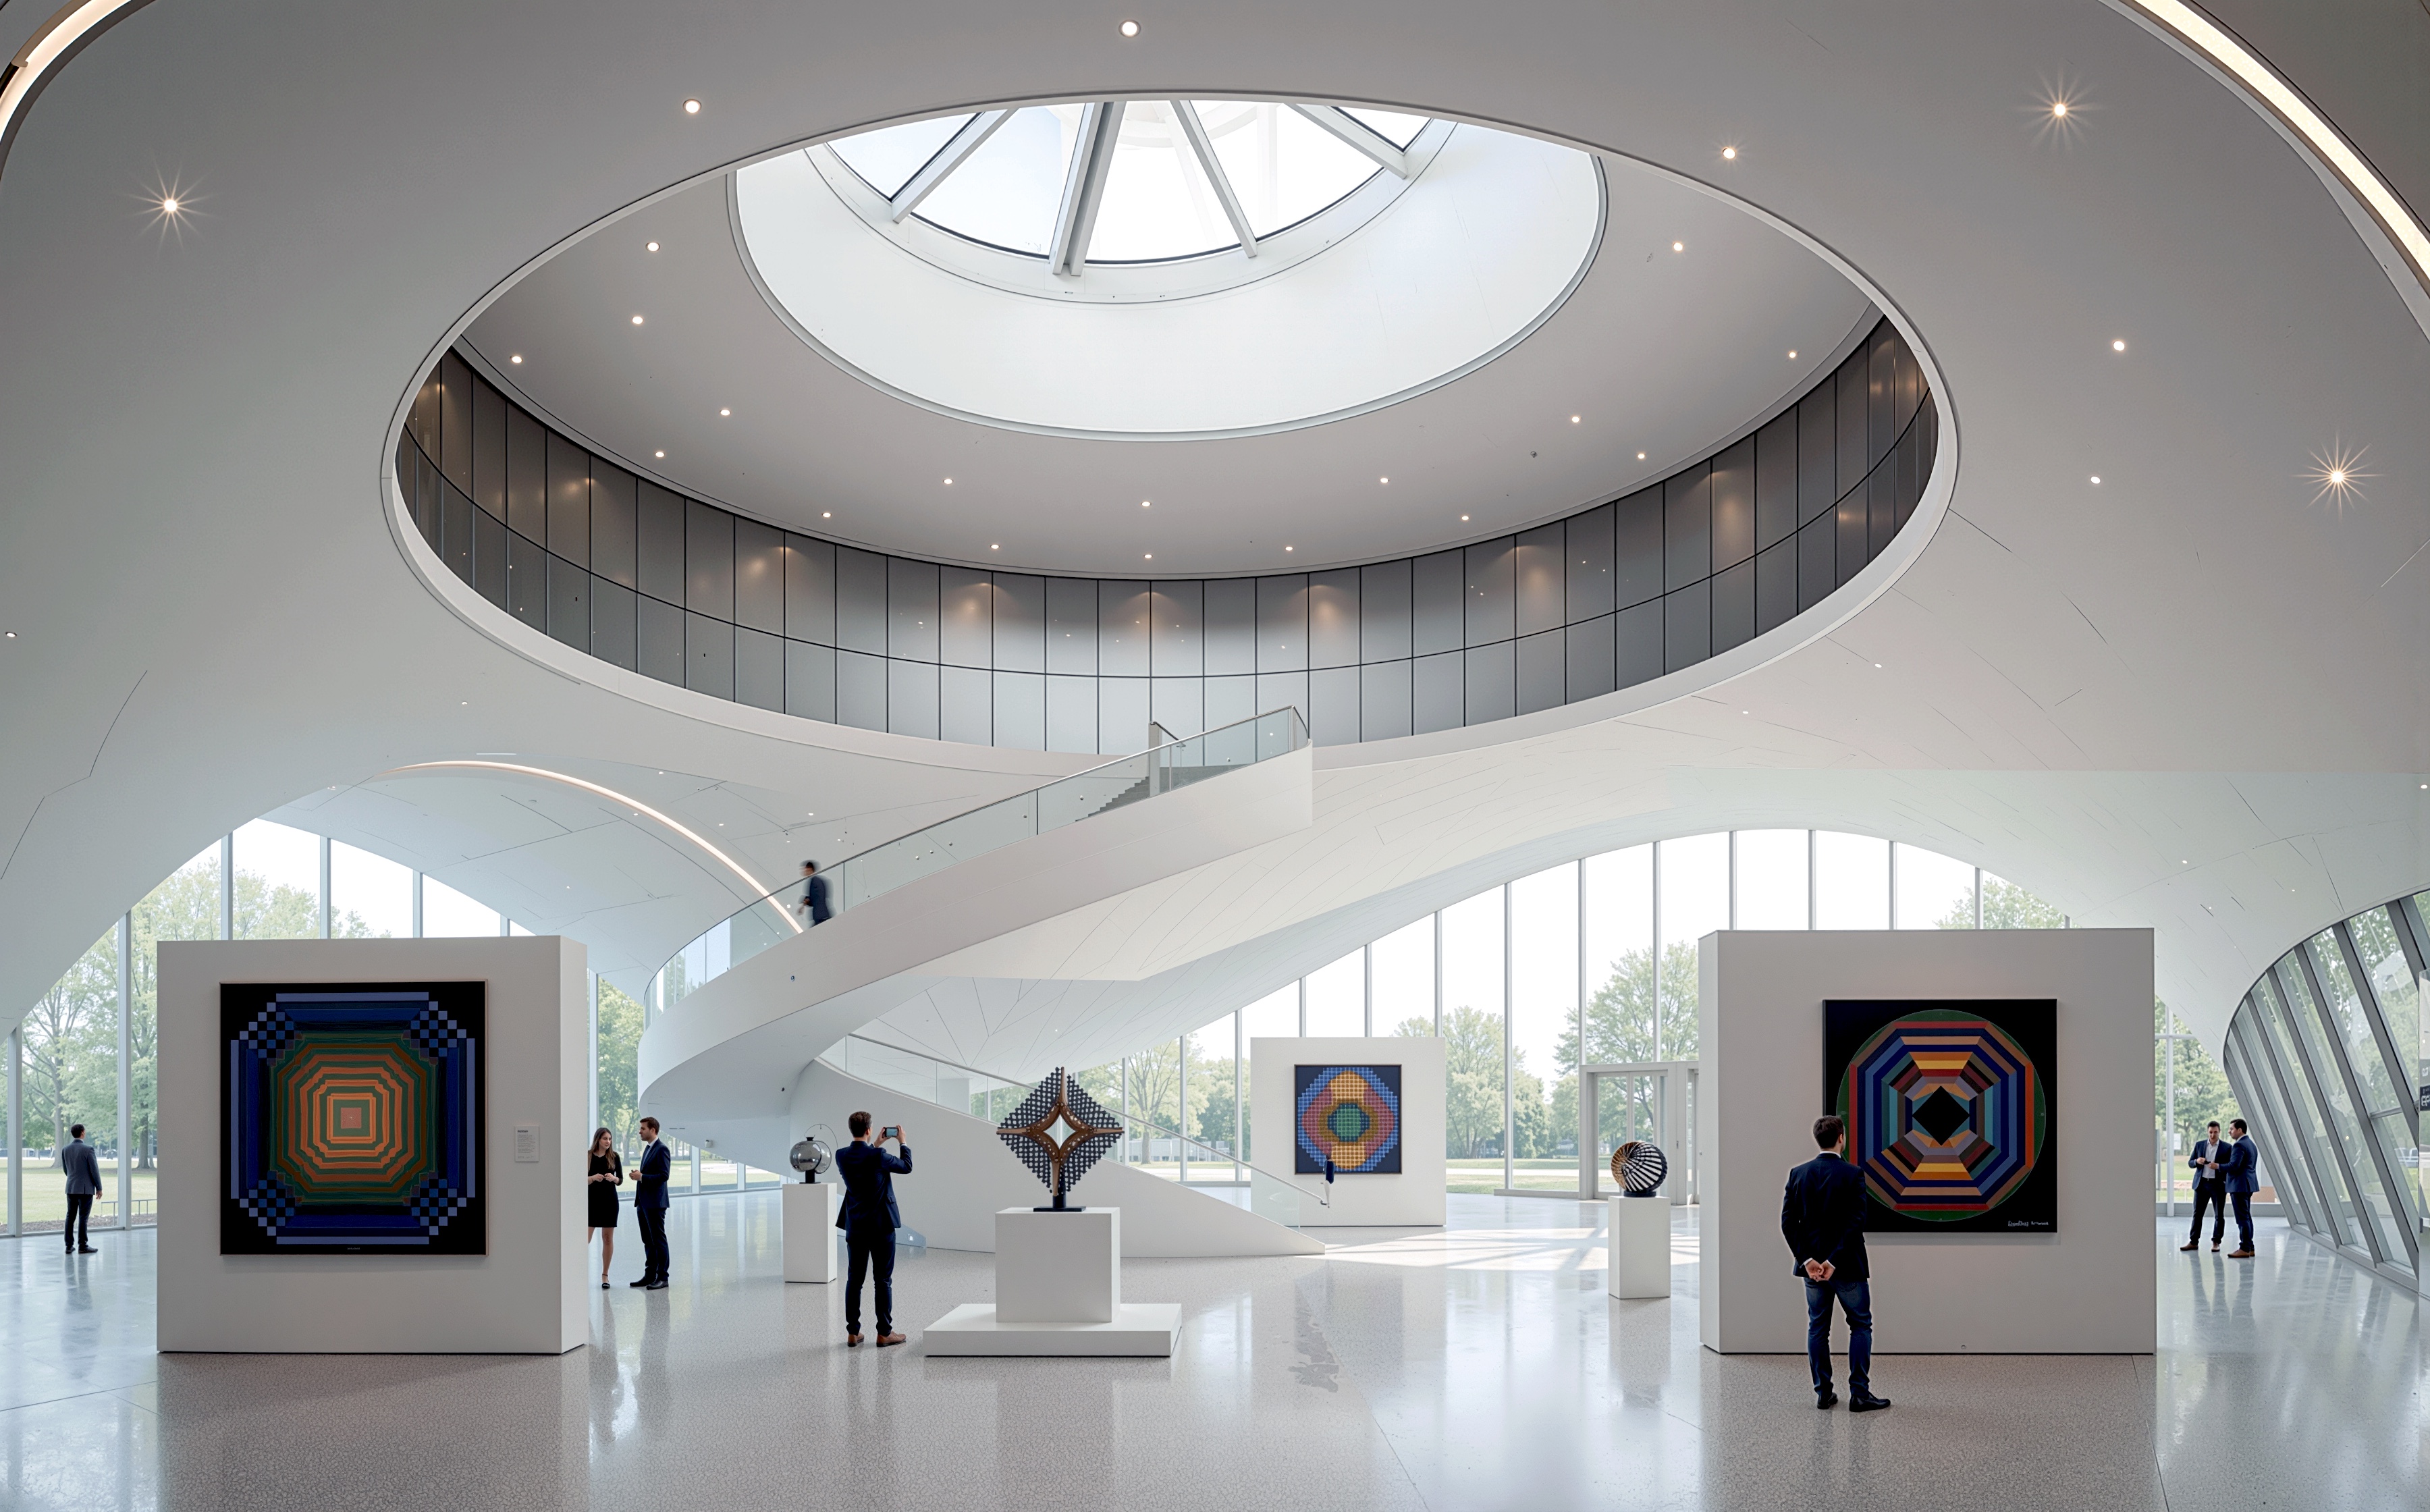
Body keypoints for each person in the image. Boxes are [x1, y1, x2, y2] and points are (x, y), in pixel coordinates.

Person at [1781, 1114, 1889, 1412]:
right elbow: (1856, 1223)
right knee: (1861, 1326)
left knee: (1818, 1328)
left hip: (1812, 1269)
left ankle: (1824, 1394)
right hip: (1847, 1266)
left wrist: (1809, 1260)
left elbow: (1788, 1224)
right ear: (1842, 1137)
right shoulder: (1853, 1174)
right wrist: (1833, 1261)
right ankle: (1859, 1394)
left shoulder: (1798, 1174)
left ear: (1819, 1139)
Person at [833, 1110, 912, 1347]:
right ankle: (884, 1333)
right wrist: (902, 1141)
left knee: (854, 1281)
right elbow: (907, 1166)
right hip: (881, 1228)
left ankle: (853, 1333)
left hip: (855, 1226)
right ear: (868, 1129)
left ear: (853, 1130)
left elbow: (863, 1162)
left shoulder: (841, 1156)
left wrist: (876, 1144)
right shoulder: (880, 1156)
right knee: (882, 1281)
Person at [629, 1117, 671, 1290]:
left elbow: (664, 1176)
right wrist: (640, 1175)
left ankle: (663, 1277)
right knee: (647, 1240)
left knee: (658, 1240)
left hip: (655, 1203)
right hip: (644, 1203)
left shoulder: (662, 1149)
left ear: (653, 1130)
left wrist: (642, 1177)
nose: (640, 1131)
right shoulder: (648, 1149)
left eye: (643, 1128)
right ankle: (650, 1275)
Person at [2180, 1120, 2230, 1252]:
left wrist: (2218, 1168)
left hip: (2218, 1185)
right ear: (2208, 1132)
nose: (2213, 1135)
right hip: (2201, 1184)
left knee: (2219, 1215)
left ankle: (2216, 1242)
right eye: (2211, 1132)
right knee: (2197, 1214)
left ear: (2220, 1132)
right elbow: (2190, 1163)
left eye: (2215, 1132)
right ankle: (2194, 1242)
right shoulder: (2200, 1145)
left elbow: (2229, 1167)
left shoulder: (2227, 1148)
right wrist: (2197, 1161)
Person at [586, 1127, 624, 1289]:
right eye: (605, 1139)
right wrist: (593, 1178)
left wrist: (613, 1178)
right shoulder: (587, 1156)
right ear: (598, 1140)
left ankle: (605, 1276)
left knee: (608, 1239)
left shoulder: (614, 1157)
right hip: (591, 1202)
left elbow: (620, 1180)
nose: (608, 1142)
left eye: (610, 1139)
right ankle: (576, 1272)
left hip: (610, 1202)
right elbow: (577, 1179)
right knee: (584, 1239)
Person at [2221, 1117, 2259, 1258]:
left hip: (2239, 1186)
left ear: (2240, 1130)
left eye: (2231, 1129)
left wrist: (2217, 1166)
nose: (2229, 1131)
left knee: (2242, 1218)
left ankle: (2244, 1248)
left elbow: (2233, 1166)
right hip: (2248, 1185)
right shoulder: (2251, 1144)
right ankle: (2250, 1247)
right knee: (2247, 1216)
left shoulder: (2239, 1145)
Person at [59, 1124, 101, 1255]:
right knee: (83, 1218)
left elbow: (66, 1170)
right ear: (82, 1133)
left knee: (70, 1217)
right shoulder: (88, 1149)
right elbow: (95, 1171)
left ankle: (68, 1246)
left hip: (71, 1187)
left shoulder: (65, 1149)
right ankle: (83, 1246)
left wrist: (73, 1179)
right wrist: (99, 1188)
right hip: (85, 1189)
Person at [796, 860, 832, 925]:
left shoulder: (815, 881)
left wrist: (806, 900)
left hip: (821, 915)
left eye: (805, 869)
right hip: (820, 914)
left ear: (810, 869)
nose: (804, 871)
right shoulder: (816, 881)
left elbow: (816, 898)